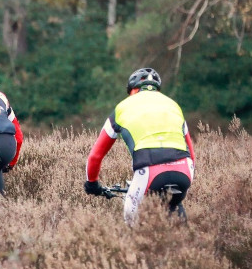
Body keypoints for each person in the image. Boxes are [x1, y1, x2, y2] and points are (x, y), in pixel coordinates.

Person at [84, 67, 196, 226]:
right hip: (184, 170)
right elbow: (191, 153)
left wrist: (92, 184)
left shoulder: (122, 107)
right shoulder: (174, 106)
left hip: (149, 171)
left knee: (133, 226)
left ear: (133, 90)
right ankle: (186, 244)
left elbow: (95, 157)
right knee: (174, 204)